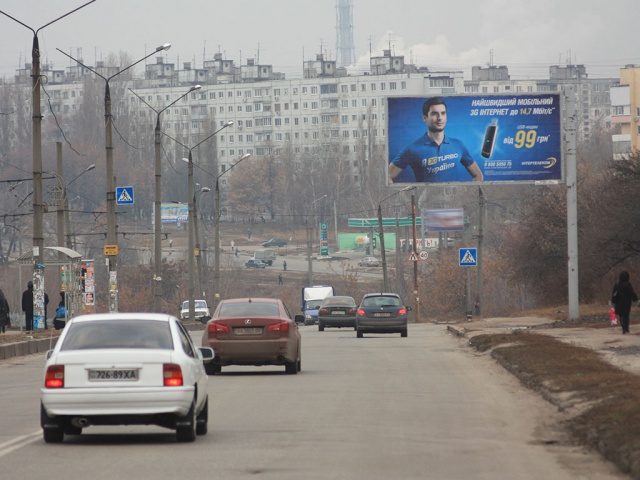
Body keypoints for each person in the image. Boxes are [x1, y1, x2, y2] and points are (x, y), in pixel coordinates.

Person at [389, 97, 483, 183]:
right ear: (424, 117)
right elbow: (387, 176)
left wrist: (470, 193)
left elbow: (478, 175)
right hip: (426, 197)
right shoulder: (412, 149)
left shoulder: (458, 145)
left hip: (454, 197)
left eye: (443, 113)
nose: (440, 118)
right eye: (434, 114)